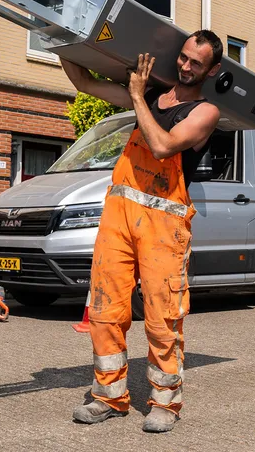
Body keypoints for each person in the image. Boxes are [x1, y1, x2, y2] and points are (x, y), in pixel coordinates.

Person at [61, 30, 223, 433]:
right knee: (104, 311)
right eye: (183, 57)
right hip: (118, 218)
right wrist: (61, 39)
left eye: (196, 63)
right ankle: (109, 398)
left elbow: (164, 145)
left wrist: (136, 95)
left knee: (162, 318)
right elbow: (83, 82)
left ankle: (165, 404)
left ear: (212, 69)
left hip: (163, 229)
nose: (185, 66)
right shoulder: (152, 95)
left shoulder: (205, 113)